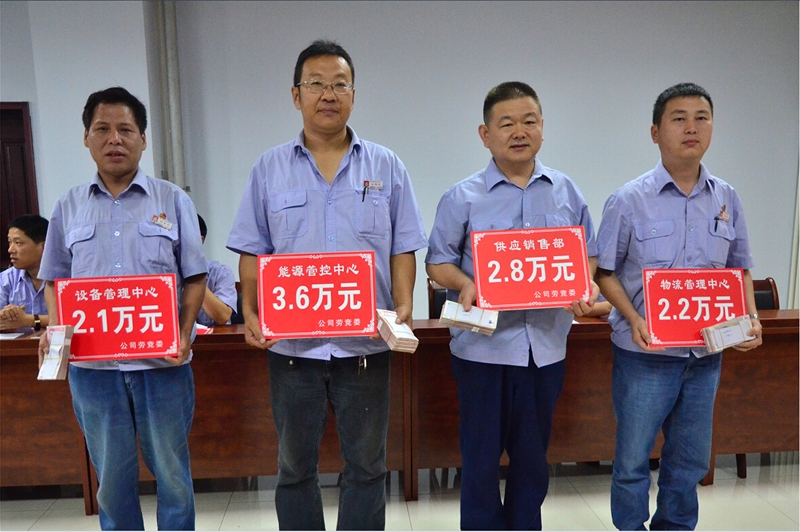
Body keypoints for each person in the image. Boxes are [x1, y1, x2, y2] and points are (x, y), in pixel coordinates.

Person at [226, 40, 427, 530]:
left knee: (367, 466)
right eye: (316, 84)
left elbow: (404, 246)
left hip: (366, 345)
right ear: (296, 95)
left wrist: (404, 303)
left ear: (354, 95)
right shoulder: (269, 168)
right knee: (295, 469)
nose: (329, 94)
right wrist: (250, 311)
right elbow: (252, 250)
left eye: (340, 84)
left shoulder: (386, 165)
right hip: (293, 349)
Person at [426, 81, 599, 531]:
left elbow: (588, 255)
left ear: (542, 127)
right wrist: (466, 283)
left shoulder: (566, 191)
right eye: (506, 124)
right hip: (482, 351)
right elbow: (437, 262)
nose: (519, 132)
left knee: (532, 461)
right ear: (485, 134)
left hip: (545, 349)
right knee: (480, 462)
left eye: (529, 121)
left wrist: (584, 285)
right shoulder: (462, 196)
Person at [36, 87, 208, 531]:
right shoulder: (68, 206)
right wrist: (56, 333)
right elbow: (55, 280)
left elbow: (194, 277)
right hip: (94, 372)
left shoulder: (173, 200)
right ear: (86, 138)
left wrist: (184, 333)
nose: (114, 139)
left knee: (172, 474)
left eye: (126, 130)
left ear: (143, 139)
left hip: (162, 367)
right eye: (102, 129)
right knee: (111, 480)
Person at [595, 82, 762, 531]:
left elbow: (740, 268)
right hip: (645, 355)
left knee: (689, 462)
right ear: (656, 132)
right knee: (633, 461)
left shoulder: (726, 197)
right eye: (679, 118)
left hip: (706, 355)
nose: (692, 128)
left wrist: (751, 317)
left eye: (701, 118)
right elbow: (604, 272)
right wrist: (633, 318)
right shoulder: (629, 199)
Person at [1, 214, 49, 330]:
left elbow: (71, 319)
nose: (10, 250)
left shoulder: (67, 276)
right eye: (10, 242)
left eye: (18, 243)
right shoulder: (6, 279)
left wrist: (29, 320)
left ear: (44, 247)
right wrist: (5, 316)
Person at [196, 214, 237, 326]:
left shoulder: (221, 272)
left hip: (211, 337)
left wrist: (193, 276)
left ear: (199, 241)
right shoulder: (162, 274)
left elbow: (223, 317)